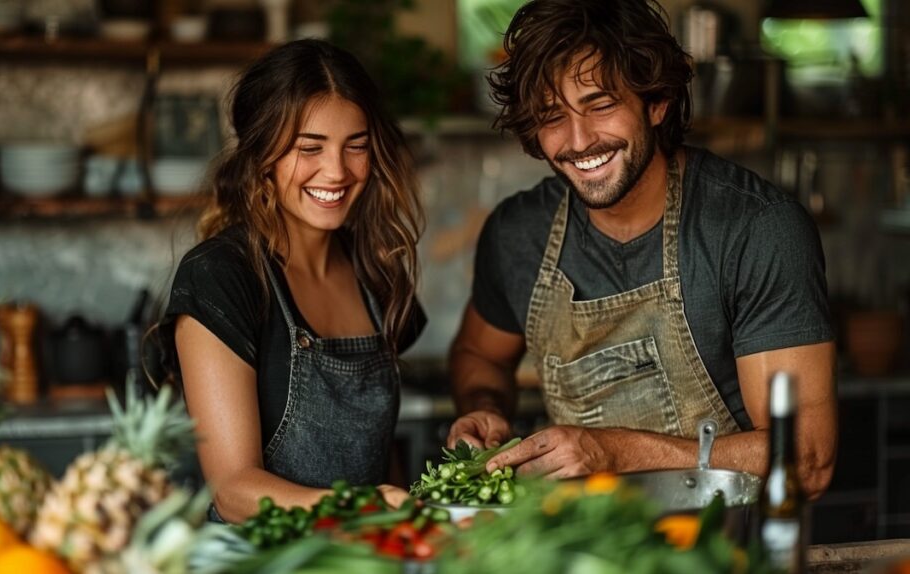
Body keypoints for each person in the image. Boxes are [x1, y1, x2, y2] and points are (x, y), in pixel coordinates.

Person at [446, 0, 837, 498]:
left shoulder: (756, 230)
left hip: (730, 550)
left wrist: (614, 453)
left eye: (600, 105)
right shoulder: (518, 232)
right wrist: (485, 407)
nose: (579, 140)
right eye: (551, 116)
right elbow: (478, 353)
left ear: (656, 103)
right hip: (582, 547)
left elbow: (807, 459)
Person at [162, 39, 425, 523]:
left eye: (357, 146)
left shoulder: (377, 270)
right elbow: (234, 491)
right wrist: (361, 508)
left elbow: (375, 455)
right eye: (310, 148)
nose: (337, 171)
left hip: (361, 554)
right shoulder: (221, 277)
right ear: (263, 154)